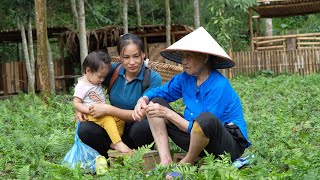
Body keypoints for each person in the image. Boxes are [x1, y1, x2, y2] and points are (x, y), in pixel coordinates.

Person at [133, 27, 251, 168]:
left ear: (205, 58)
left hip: (225, 145)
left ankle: (187, 161)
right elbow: (160, 92)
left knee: (205, 119)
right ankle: (165, 161)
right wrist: (143, 99)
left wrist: (167, 114)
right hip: (195, 140)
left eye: (188, 56)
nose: (184, 61)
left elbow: (204, 126)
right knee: (156, 103)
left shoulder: (219, 85)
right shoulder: (185, 78)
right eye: (183, 56)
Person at [76, 34, 162, 157]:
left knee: (146, 125)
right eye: (126, 57)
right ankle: (106, 156)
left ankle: (138, 156)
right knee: (85, 129)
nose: (131, 62)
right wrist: (79, 107)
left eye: (136, 56)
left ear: (143, 54)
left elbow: (141, 114)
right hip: (113, 129)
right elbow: (88, 79)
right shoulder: (111, 71)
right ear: (119, 57)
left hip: (137, 131)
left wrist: (109, 110)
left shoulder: (153, 78)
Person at [73, 50, 131, 153]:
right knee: (108, 119)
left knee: (119, 118)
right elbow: (76, 103)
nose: (102, 80)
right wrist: (87, 110)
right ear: (88, 71)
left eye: (104, 77)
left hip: (101, 111)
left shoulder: (94, 81)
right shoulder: (82, 85)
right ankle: (118, 143)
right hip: (92, 113)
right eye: (100, 77)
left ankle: (115, 139)